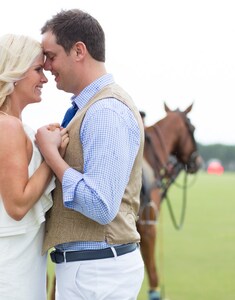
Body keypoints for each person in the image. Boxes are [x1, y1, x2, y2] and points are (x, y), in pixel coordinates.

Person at [35, 9, 145, 300]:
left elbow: (100, 205)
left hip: (98, 273)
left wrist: (52, 157)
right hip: (93, 271)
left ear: (79, 50)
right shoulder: (91, 108)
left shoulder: (105, 111)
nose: (46, 66)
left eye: (51, 55)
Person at [0, 34, 68, 300]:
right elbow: (16, 205)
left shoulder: (13, 125)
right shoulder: (7, 126)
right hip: (11, 266)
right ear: (14, 73)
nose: (45, 78)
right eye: (38, 69)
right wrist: (52, 157)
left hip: (20, 259)